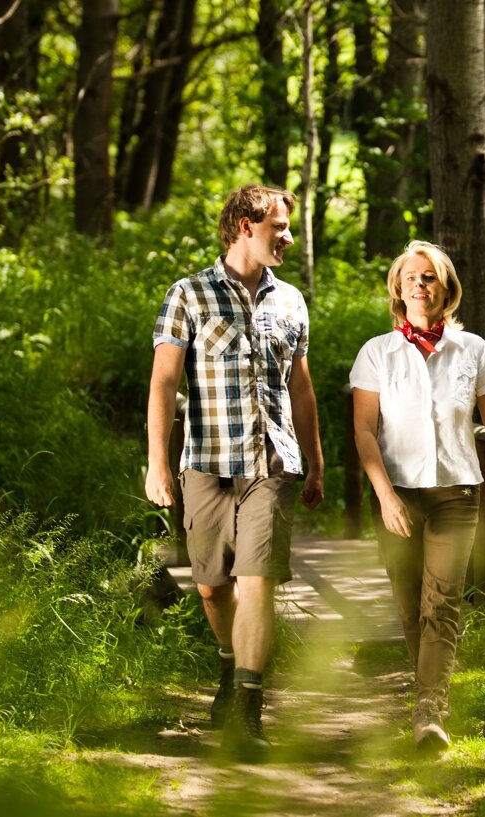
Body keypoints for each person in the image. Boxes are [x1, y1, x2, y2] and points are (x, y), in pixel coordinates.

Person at [145, 183, 324, 760]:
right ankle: (231, 664)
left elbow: (301, 385)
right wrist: (157, 463)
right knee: (212, 589)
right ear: (245, 225)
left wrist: (315, 460)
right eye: (280, 227)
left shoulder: (291, 301)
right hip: (206, 462)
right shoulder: (189, 295)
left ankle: (248, 707)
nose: (289, 239)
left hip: (272, 461)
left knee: (256, 582)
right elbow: (164, 385)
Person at [349, 240, 485, 752]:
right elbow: (365, 432)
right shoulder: (377, 353)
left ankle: (430, 710)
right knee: (410, 606)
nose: (420, 285)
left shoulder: (472, 350)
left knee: (443, 603)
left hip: (457, 494)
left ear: (446, 288)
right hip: (397, 497)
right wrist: (386, 496)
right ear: (398, 288)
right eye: (411, 277)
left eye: (430, 277)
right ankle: (426, 696)